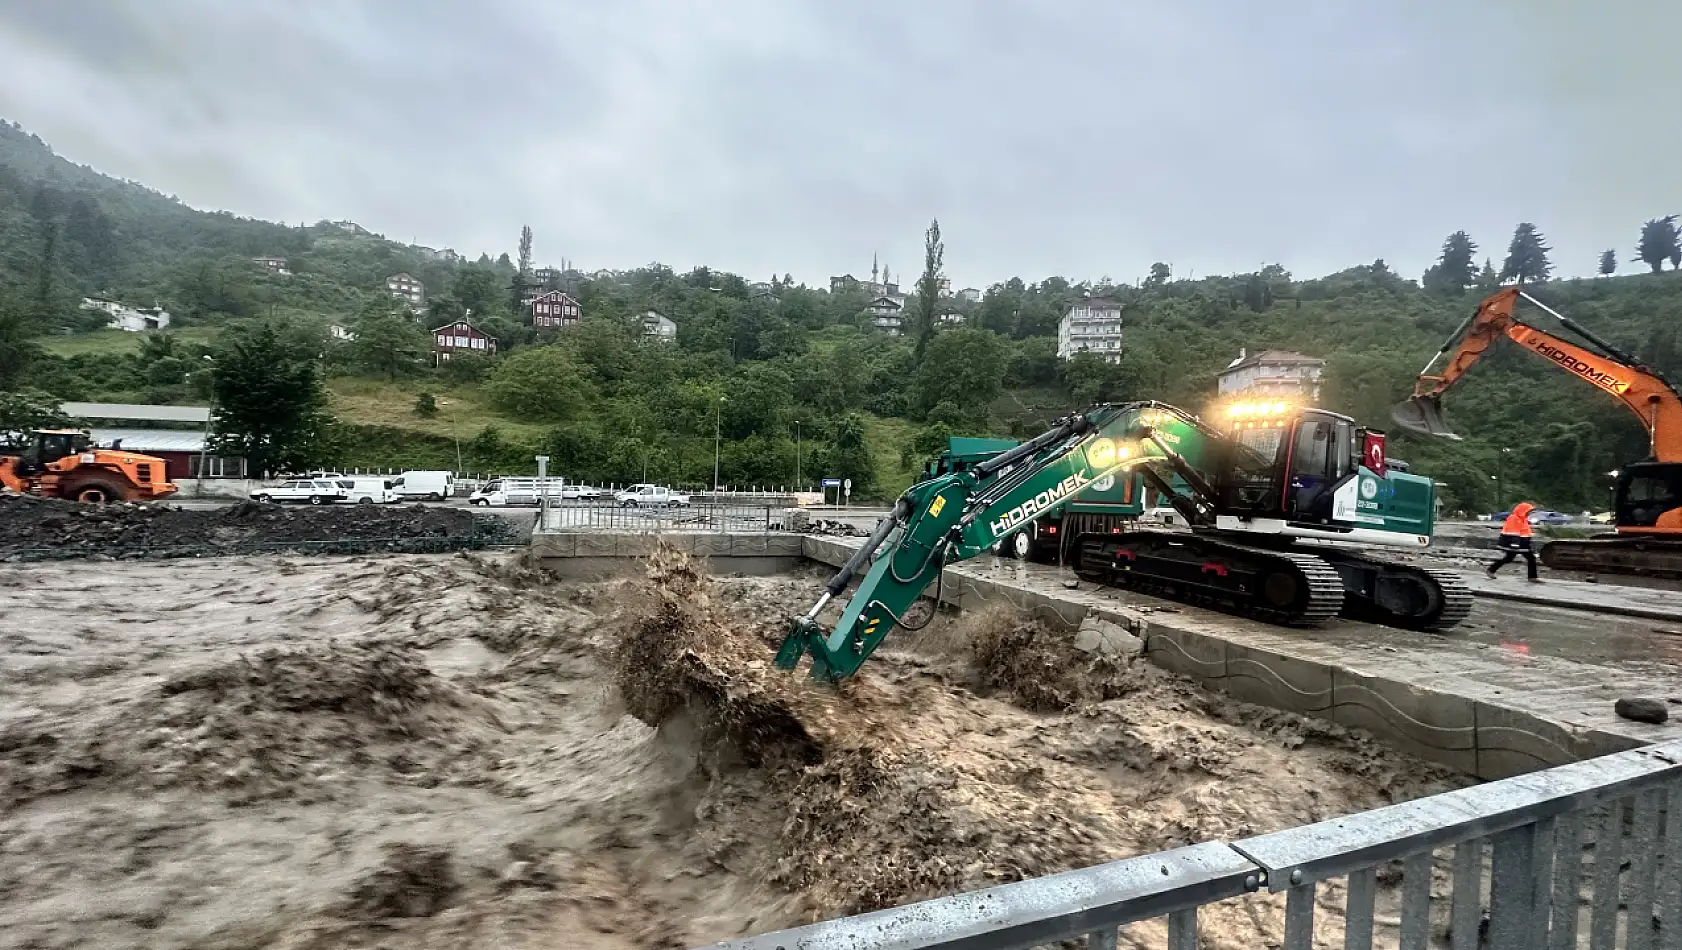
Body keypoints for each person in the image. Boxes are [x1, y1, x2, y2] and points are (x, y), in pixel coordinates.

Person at [1486, 501, 1541, 582]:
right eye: (1529, 511)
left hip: (1522, 543)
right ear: (1523, 511)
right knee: (1510, 558)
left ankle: (1532, 577)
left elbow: (1524, 532)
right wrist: (1514, 544)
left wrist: (1530, 541)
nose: (1529, 513)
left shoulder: (1523, 519)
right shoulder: (1513, 518)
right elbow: (1512, 531)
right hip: (1515, 543)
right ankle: (1491, 570)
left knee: (1529, 558)